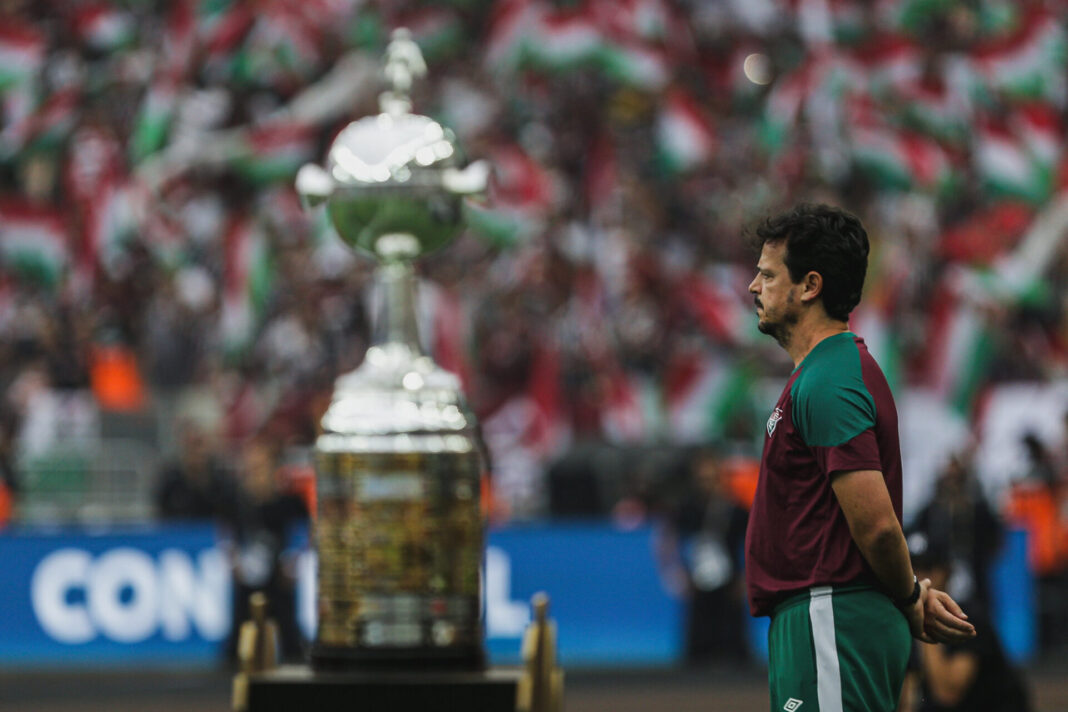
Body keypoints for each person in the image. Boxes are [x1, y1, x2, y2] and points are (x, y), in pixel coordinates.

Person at [743, 203, 975, 712]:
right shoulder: (825, 373)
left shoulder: (830, 379)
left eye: (766, 274)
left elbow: (876, 526)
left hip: (831, 616)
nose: (753, 288)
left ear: (810, 286)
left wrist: (911, 596)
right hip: (823, 619)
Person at [899, 528, 1031, 712]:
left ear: (947, 571)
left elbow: (947, 694)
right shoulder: (902, 619)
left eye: (928, 567)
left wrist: (926, 617)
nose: (920, 576)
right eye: (912, 568)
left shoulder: (969, 616)